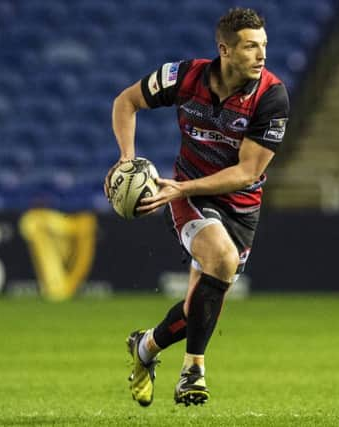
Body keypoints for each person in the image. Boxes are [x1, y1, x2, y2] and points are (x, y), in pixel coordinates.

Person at [104, 7, 289, 407]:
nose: (262, 55)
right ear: (224, 49)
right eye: (251, 47)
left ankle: (144, 348)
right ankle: (193, 371)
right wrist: (126, 159)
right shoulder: (184, 77)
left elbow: (247, 171)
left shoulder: (271, 96)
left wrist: (182, 186)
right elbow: (126, 101)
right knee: (220, 261)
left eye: (264, 46)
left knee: (196, 308)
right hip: (188, 195)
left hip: (240, 204)